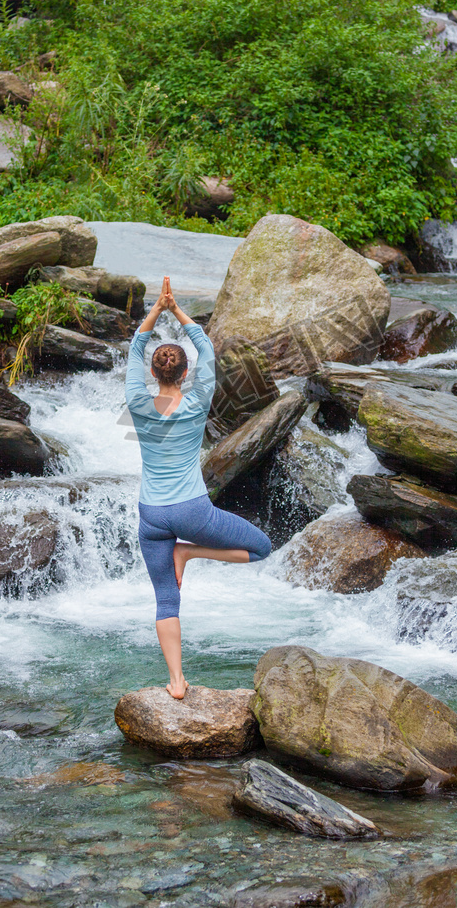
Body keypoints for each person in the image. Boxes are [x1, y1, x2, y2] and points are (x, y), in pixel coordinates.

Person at [125, 276, 272, 699]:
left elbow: (136, 346)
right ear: (185, 372)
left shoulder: (137, 400)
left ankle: (175, 681)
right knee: (261, 546)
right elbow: (206, 346)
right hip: (192, 510)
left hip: (151, 513)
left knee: (166, 602)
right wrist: (177, 311)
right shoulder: (196, 400)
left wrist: (156, 310)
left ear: (153, 373)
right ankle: (190, 551)